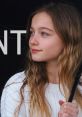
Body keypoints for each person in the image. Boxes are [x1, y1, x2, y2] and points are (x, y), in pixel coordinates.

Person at [1, 2, 82, 117]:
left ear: (68, 38)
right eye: (32, 32)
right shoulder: (18, 86)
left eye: (44, 33)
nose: (32, 41)